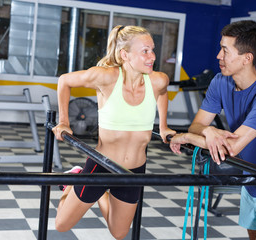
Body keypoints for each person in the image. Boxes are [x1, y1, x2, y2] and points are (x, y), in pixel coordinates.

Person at [169, 20, 256, 240]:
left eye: (225, 50)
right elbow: (198, 124)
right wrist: (208, 131)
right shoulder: (221, 81)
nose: (219, 56)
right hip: (252, 182)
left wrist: (185, 137)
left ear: (247, 58)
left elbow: (230, 147)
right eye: (221, 48)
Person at [52, 25, 175, 239]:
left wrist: (163, 126)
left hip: (134, 171)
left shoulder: (157, 80)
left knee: (119, 234)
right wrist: (63, 121)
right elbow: (64, 81)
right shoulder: (106, 77)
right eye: (145, 51)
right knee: (62, 224)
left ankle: (101, 195)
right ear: (124, 54)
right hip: (102, 164)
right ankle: (75, 179)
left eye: (152, 50)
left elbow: (162, 92)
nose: (152, 56)